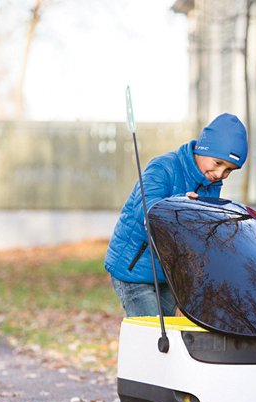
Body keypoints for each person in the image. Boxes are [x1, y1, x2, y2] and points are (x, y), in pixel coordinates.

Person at [105, 113, 248, 317]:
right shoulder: (163, 167)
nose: (220, 174)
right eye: (218, 163)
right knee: (151, 331)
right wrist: (181, 204)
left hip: (169, 273)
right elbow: (146, 208)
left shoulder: (212, 184)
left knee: (175, 331)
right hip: (134, 269)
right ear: (202, 148)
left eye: (229, 170)